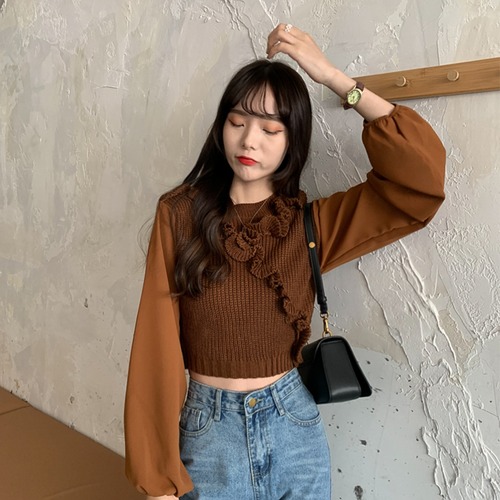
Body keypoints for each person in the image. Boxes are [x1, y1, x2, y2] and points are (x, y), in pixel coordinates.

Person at [124, 24, 446, 500]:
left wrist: (335, 79)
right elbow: (155, 344)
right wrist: (156, 479)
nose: (249, 141)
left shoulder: (310, 223)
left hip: (293, 426)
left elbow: (419, 183)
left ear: (292, 140)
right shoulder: (178, 214)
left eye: (271, 129)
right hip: (210, 436)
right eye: (237, 122)